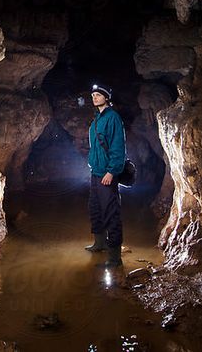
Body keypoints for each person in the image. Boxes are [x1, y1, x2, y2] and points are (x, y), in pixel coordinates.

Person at [85, 83, 126, 267]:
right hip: (95, 172)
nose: (94, 97)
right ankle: (99, 243)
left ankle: (115, 256)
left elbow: (118, 147)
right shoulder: (97, 119)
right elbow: (94, 146)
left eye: (98, 95)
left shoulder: (113, 118)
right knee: (95, 208)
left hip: (107, 174)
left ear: (106, 97)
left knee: (111, 212)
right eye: (93, 95)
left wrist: (111, 171)